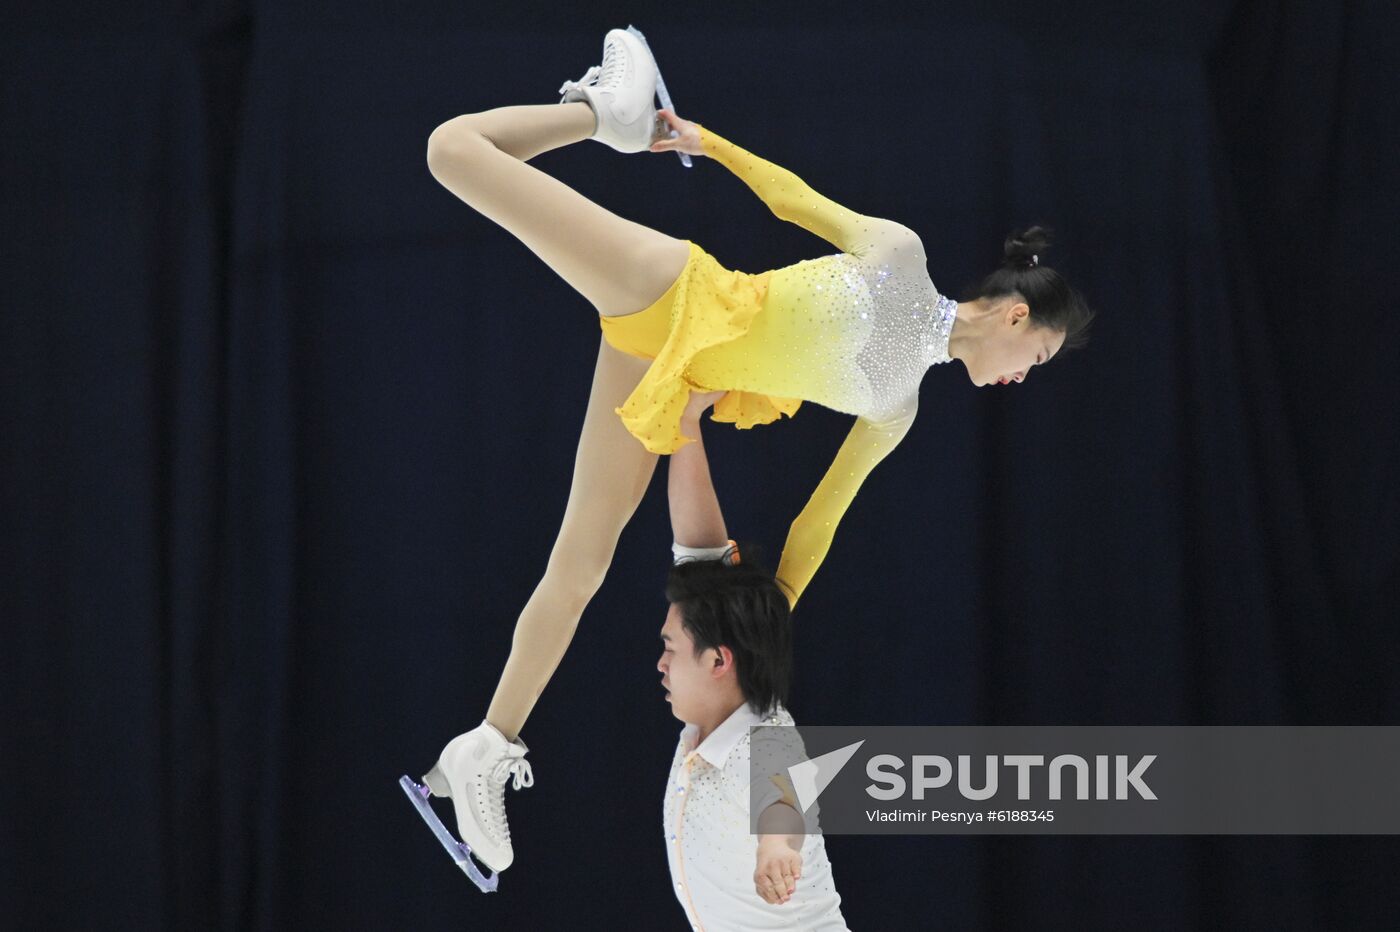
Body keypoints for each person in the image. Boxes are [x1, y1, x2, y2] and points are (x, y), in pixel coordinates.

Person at [413, 26, 1096, 878]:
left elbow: (816, 527)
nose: (1019, 380)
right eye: (1031, 362)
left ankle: (488, 743)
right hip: (677, 290)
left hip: (671, 364)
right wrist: (710, 144)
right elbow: (796, 200)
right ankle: (600, 113)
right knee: (452, 149)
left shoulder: (899, 407)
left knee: (579, 561)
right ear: (1014, 318)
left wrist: (761, 633)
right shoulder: (900, 256)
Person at [659, 389, 849, 929]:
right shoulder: (717, 722)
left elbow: (782, 800)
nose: (661, 665)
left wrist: (777, 850)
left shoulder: (768, 740)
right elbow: (696, 549)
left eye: (669, 648)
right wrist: (687, 419)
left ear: (720, 661)